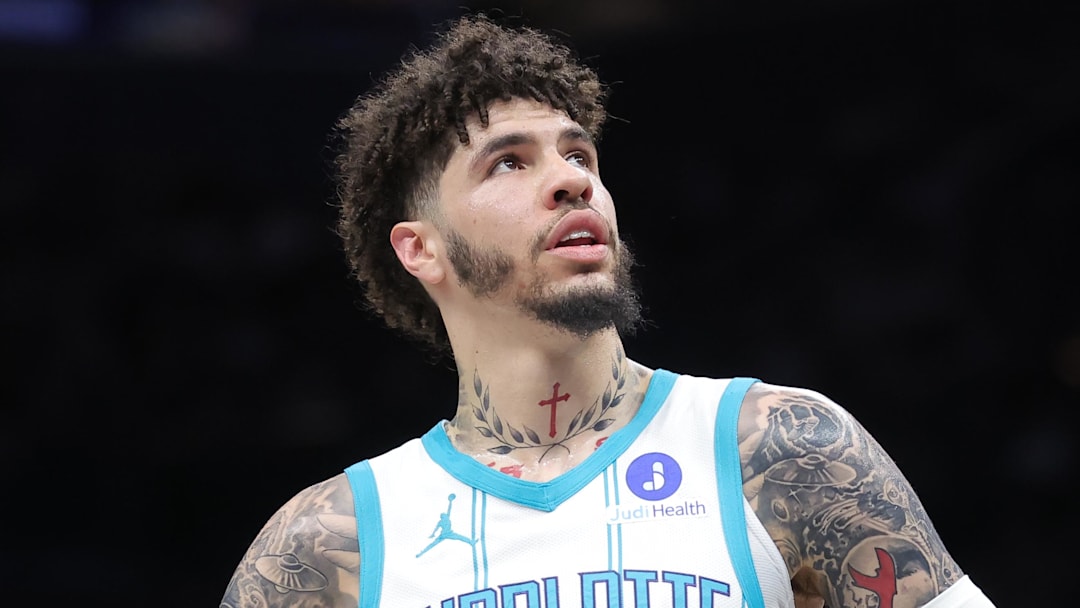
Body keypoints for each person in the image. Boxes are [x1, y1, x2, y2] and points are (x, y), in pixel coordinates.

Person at [220, 13, 996, 608]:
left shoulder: (780, 448)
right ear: (421, 249)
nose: (571, 181)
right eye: (509, 162)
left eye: (578, 154)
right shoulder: (330, 545)